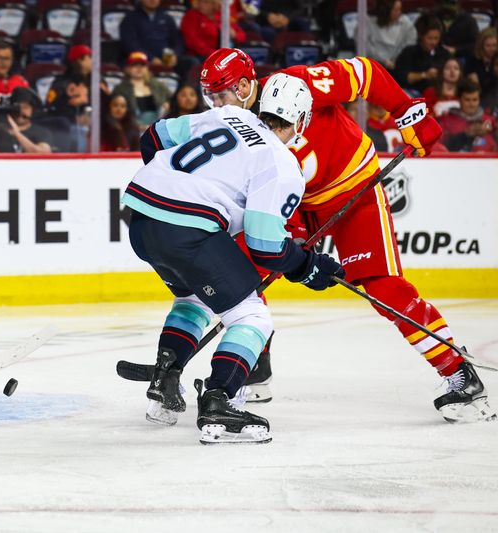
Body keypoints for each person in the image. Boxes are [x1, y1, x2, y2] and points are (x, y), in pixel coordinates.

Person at [193, 47, 494, 423]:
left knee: (384, 289)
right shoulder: (229, 125)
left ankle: (459, 373)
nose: (216, 104)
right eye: (210, 96)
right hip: (299, 205)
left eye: (220, 94)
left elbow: (364, 73)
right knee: (242, 272)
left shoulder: (295, 85)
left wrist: (406, 111)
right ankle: (253, 367)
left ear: (242, 87)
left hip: (356, 192)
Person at [124, 72, 343, 443]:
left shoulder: (230, 114)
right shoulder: (282, 163)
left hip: (142, 219)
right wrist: (308, 267)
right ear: (300, 120)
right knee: (252, 316)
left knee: (192, 298)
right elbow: (265, 247)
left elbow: (153, 137)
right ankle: (218, 401)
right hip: (188, 232)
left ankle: (165, 377)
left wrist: (173, 185)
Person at [119, 0, 197, 81]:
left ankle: (187, 88)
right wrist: (151, 58)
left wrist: (174, 55)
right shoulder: (130, 18)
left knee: (191, 62)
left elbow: (178, 42)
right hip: (142, 60)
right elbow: (130, 45)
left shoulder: (167, 18)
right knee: (136, 65)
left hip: (167, 59)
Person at [111, 51, 171, 129]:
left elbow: (172, 99)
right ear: (128, 68)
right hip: (132, 129)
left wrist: (167, 104)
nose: (139, 68)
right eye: (135, 65)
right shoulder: (120, 89)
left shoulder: (157, 85)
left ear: (147, 68)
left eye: (142, 65)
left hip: (157, 128)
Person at [0, 87, 52, 153]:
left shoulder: (41, 132)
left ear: (33, 111)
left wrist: (16, 133)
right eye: (17, 107)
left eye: (25, 107)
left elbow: (43, 154)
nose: (20, 111)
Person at [394, 15, 451, 95]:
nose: (433, 42)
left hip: (439, 93)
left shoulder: (444, 53)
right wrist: (424, 75)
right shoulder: (409, 52)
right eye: (430, 38)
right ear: (421, 36)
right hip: (413, 93)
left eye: (436, 38)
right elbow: (401, 77)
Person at [439, 80, 497, 152]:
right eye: (467, 100)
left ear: (479, 100)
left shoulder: (490, 120)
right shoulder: (447, 121)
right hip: (458, 158)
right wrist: (465, 135)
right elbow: (442, 148)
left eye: (475, 100)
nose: (471, 104)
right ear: (459, 100)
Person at [180, 0, 247, 61]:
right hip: (201, 56)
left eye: (206, 2)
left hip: (223, 54)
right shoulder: (191, 16)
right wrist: (215, 54)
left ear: (214, 4)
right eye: (199, 2)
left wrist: (234, 34)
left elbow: (242, 36)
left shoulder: (221, 16)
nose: (201, 5)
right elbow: (193, 42)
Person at [366, 0, 417, 71]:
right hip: (373, 66)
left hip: (398, 66)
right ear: (384, 10)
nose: (399, 13)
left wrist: (396, 61)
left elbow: (409, 45)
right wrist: (384, 61)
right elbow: (366, 48)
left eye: (399, 9)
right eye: (395, 10)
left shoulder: (406, 23)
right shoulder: (368, 23)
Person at [464, 28, 498, 92]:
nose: (492, 49)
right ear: (481, 45)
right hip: (479, 92)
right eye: (488, 46)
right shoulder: (472, 60)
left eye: (494, 45)